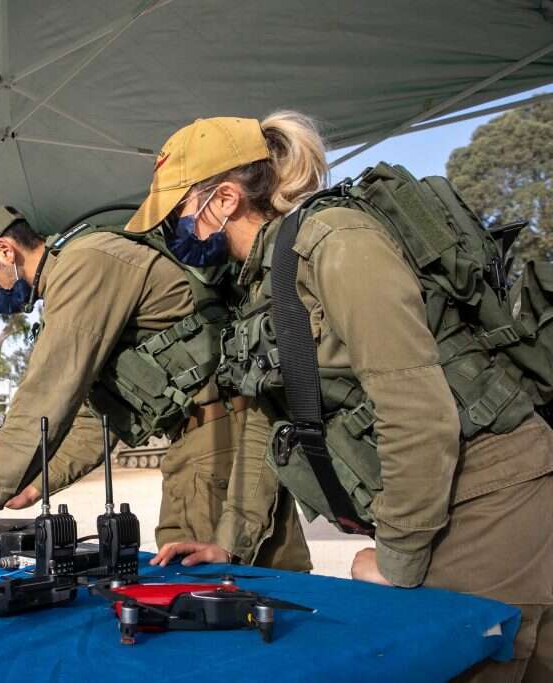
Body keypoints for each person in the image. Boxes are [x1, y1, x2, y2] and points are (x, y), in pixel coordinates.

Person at [139, 111, 552, 681]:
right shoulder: (261, 278)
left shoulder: (336, 241)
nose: (173, 232)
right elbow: (269, 430)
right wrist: (229, 544)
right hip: (438, 501)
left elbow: (416, 409)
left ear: (225, 199)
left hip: (490, 499)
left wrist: (398, 559)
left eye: (177, 213)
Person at [0, 200, 309, 571]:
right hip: (214, 437)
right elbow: (99, 417)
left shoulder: (83, 265)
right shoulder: (79, 272)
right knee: (239, 590)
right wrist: (34, 484)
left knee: (214, 593)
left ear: (3, 250)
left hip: (221, 440)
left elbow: (43, 398)